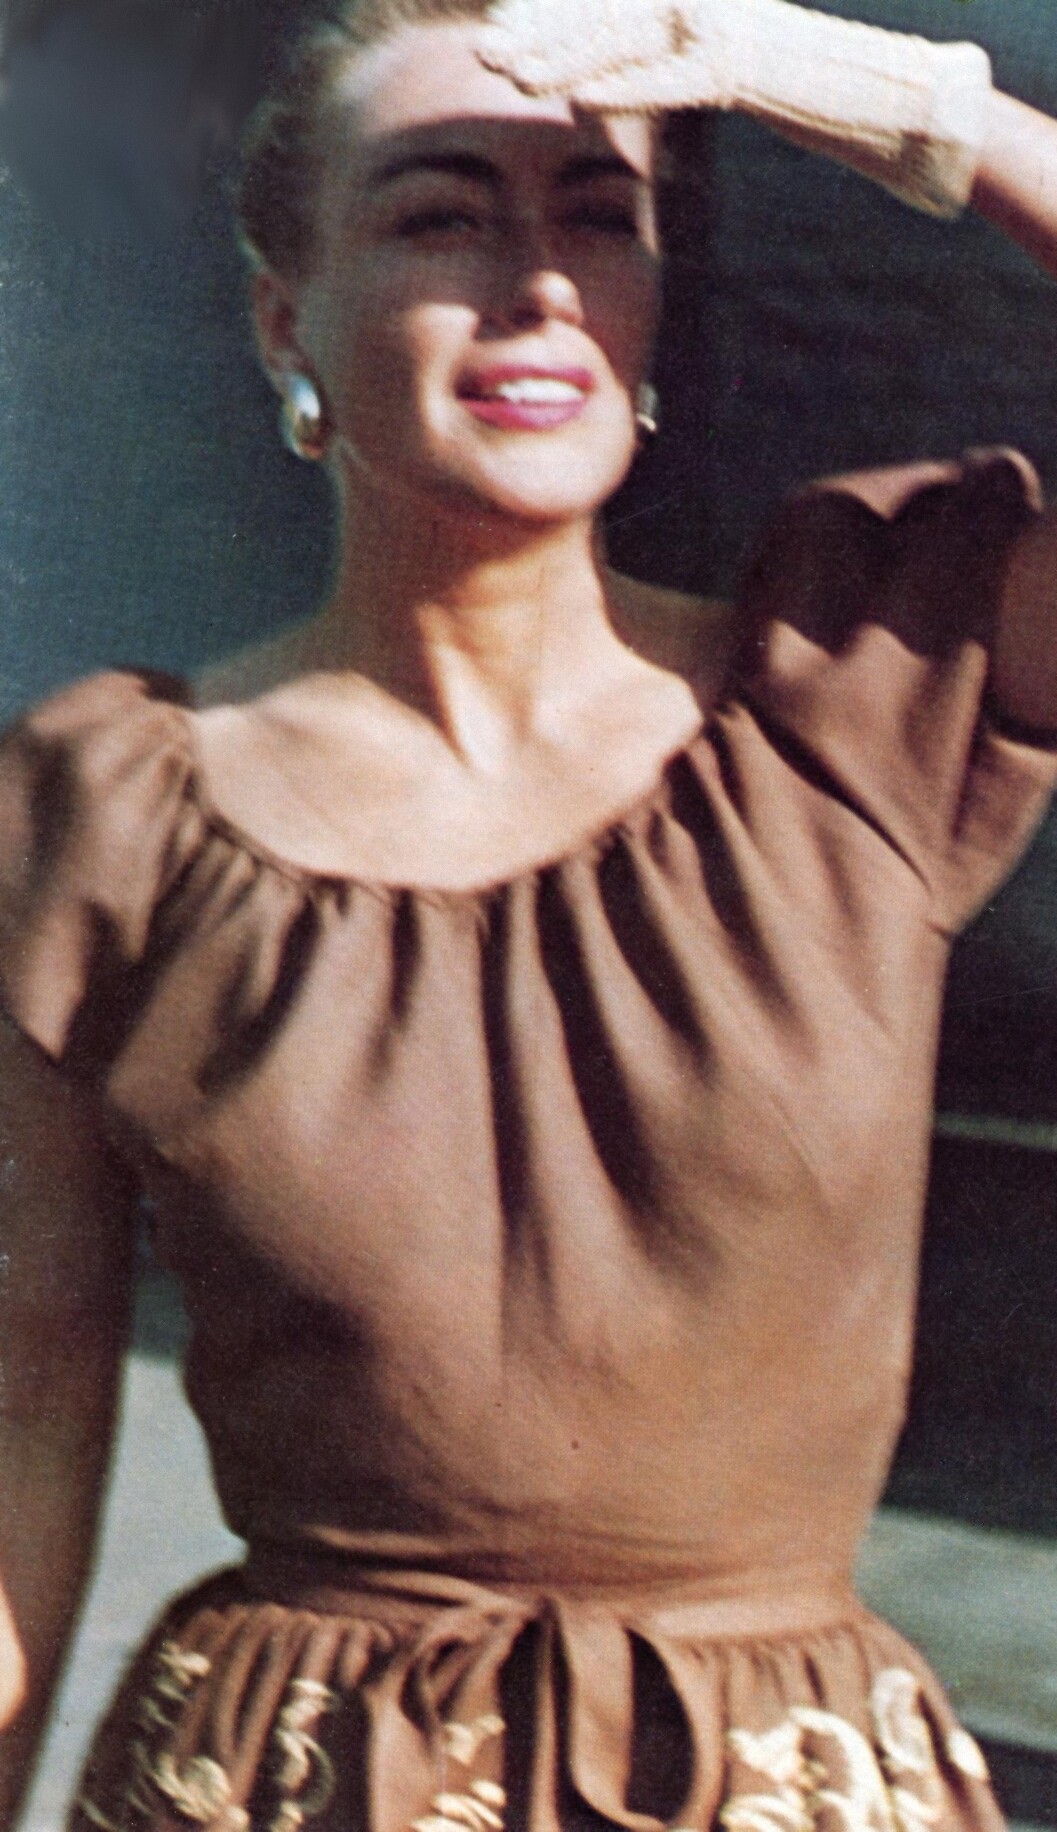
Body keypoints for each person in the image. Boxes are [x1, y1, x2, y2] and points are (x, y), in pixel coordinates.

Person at [2, 0, 1057, 1826]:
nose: (539, 285)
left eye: (597, 216)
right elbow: (18, 1441)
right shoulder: (107, 808)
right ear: (284, 316)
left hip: (781, 1782)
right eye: (441, 215)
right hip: (288, 1784)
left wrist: (903, 103)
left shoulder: (857, 694)